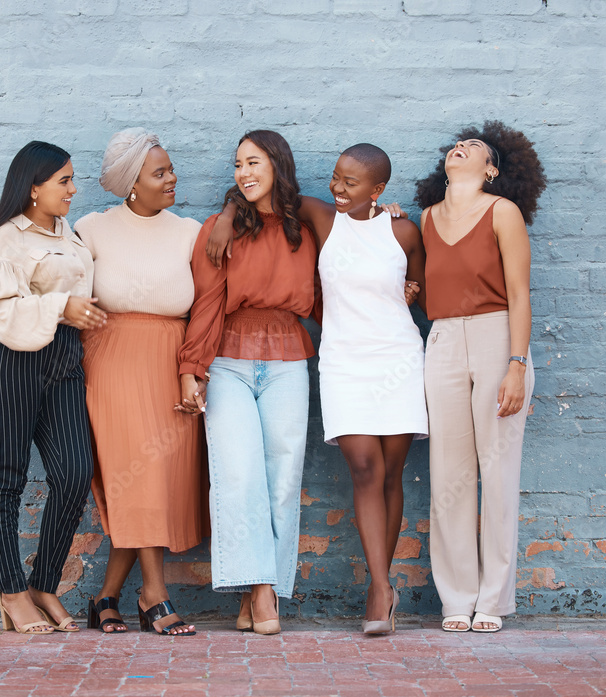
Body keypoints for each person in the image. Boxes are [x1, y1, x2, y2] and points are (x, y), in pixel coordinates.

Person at [207, 145, 427, 635]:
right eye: (335, 177)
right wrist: (224, 216)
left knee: (391, 473)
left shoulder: (404, 230)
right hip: (345, 363)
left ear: (379, 190)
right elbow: (263, 194)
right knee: (364, 467)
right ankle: (377, 587)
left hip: (398, 360)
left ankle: (380, 588)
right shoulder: (322, 219)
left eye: (351, 183)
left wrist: (411, 289)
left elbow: (422, 289)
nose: (338, 189)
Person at [179, 130, 317, 636]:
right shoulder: (220, 230)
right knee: (238, 475)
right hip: (229, 363)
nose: (244, 173)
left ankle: (258, 593)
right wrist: (191, 370)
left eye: (253, 162)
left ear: (277, 164)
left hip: (287, 360)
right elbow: (207, 304)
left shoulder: (307, 226)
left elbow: (330, 290)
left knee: (283, 478)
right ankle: (263, 593)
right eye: (237, 164)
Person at [414, 121, 546, 633]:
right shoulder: (423, 219)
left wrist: (517, 364)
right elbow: (423, 288)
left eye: (475, 147)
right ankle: (456, 598)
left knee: (498, 474)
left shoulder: (503, 212)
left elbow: (520, 294)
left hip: (498, 339)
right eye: (455, 145)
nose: (460, 148)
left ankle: (492, 600)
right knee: (449, 476)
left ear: (491, 168)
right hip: (443, 339)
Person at [0, 141, 107, 634]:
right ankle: (11, 591)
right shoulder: (3, 241)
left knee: (74, 472)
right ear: (33, 188)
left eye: (73, 179)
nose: (74, 189)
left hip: (64, 362)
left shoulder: (69, 235)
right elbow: (2, 312)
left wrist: (76, 313)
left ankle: (44, 582)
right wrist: (62, 308)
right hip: (11, 362)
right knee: (6, 476)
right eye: (64, 181)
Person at [74, 128, 206, 637]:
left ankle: (106, 598)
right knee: (137, 472)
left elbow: (203, 309)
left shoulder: (189, 231)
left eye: (170, 169)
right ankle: (154, 592)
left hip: (171, 364)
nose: (172, 178)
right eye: (160, 172)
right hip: (111, 361)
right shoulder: (91, 229)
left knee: (152, 481)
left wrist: (192, 373)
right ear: (132, 183)